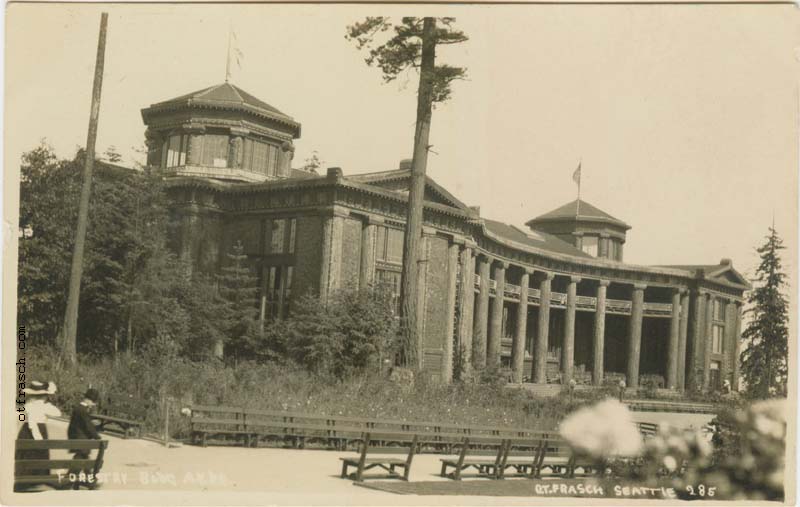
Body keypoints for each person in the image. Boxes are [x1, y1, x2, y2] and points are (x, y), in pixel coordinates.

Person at [15, 381, 61, 491]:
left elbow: (25, 418)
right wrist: (38, 438)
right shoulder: (42, 406)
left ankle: (25, 478)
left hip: (26, 431)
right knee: (38, 453)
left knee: (26, 454)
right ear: (44, 395)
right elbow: (57, 413)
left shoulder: (28, 405)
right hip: (38, 431)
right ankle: (38, 478)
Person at [67, 388, 102, 489]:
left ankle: (88, 481)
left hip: (76, 438)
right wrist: (97, 437)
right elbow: (88, 426)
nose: (93, 404)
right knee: (82, 457)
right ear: (88, 400)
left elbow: (84, 423)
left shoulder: (79, 408)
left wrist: (91, 423)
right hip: (80, 440)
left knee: (83, 458)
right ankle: (70, 480)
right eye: (93, 402)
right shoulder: (82, 410)